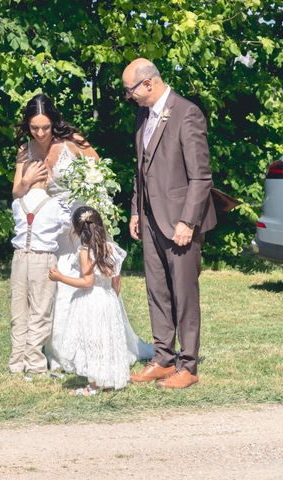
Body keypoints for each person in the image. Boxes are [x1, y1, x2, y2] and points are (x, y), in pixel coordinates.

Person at [11, 94, 152, 372]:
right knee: (55, 288)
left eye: (45, 127)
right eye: (34, 128)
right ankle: (57, 351)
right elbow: (17, 192)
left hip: (81, 224)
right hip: (51, 230)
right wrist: (27, 180)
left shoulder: (74, 141)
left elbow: (99, 177)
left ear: (54, 123)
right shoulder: (24, 150)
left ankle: (95, 348)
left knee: (87, 282)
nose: (40, 133)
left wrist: (100, 229)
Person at [122, 58, 216, 389]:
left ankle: (188, 366)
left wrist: (187, 221)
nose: (128, 96)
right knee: (157, 291)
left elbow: (201, 177)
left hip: (179, 221)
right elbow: (141, 169)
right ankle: (163, 358)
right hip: (149, 218)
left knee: (184, 293)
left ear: (149, 83)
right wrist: (136, 209)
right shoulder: (142, 116)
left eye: (129, 89)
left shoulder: (187, 113)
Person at [48, 206, 131, 395]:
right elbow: (117, 283)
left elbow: (87, 282)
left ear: (77, 230)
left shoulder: (85, 251)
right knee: (105, 339)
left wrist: (60, 277)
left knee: (92, 341)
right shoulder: (111, 248)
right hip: (108, 299)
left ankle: (93, 386)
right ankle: (108, 380)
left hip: (90, 301)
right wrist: (111, 301)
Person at [9, 160, 70, 379]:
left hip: (19, 258)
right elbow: (66, 225)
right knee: (40, 310)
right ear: (46, 178)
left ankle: (16, 362)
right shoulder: (56, 205)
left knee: (19, 311)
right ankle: (34, 363)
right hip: (42, 258)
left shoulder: (18, 204)